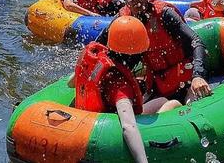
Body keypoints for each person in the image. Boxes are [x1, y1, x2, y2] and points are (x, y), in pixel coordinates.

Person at [73, 16, 178, 163]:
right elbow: (128, 127)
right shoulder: (120, 84)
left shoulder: (94, 56)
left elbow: (72, 83)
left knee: (161, 100)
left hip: (85, 119)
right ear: (136, 54)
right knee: (172, 104)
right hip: (107, 130)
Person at [104, 0, 212, 104]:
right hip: (158, 83)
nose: (138, 2)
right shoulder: (122, 21)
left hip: (186, 77)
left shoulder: (165, 14)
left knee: (192, 103)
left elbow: (196, 42)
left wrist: (198, 76)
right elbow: (104, 51)